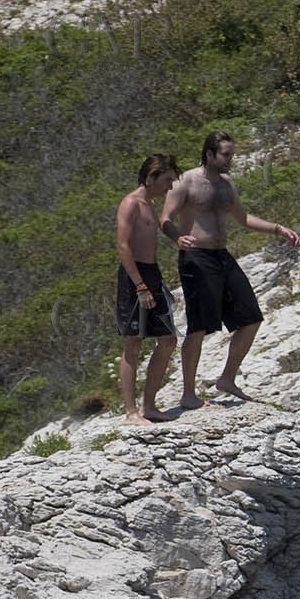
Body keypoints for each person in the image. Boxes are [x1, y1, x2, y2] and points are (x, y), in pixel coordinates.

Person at [159, 130, 299, 407]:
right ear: (209, 154)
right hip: (195, 257)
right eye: (225, 154)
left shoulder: (226, 184)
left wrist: (277, 229)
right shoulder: (186, 181)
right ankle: (188, 394)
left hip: (221, 256)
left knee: (251, 317)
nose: (230, 159)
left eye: (231, 154)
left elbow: (244, 218)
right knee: (198, 326)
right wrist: (177, 237)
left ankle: (227, 379)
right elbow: (165, 218)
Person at [115, 154, 181, 425]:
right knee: (134, 343)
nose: (169, 186)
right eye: (166, 180)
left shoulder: (150, 205)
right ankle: (131, 412)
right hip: (135, 279)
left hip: (152, 275)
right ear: (151, 177)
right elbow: (123, 246)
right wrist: (140, 285)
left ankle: (149, 405)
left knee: (167, 339)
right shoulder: (131, 203)